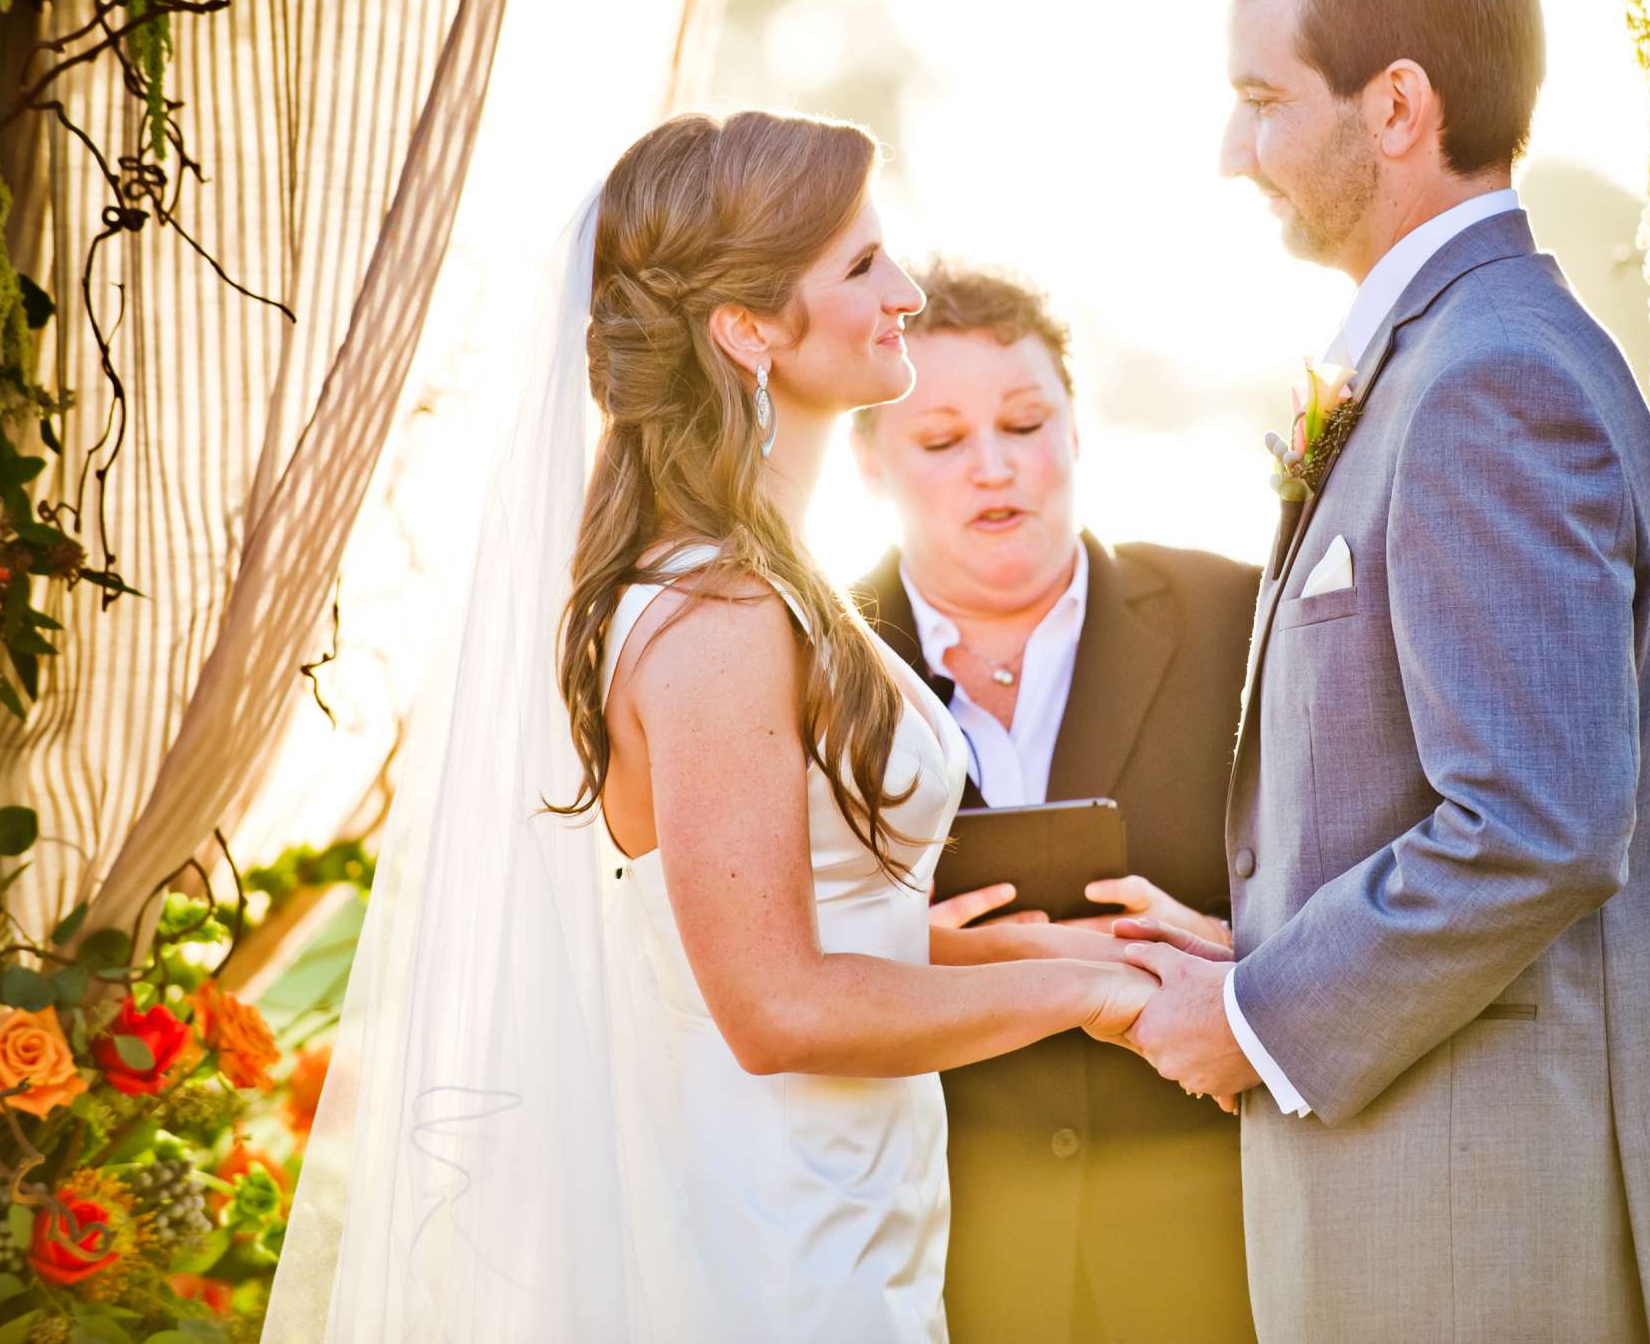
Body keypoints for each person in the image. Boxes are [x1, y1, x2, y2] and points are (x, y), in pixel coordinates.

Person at [267, 111, 1154, 1343]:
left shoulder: (757, 578)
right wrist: (1091, 995)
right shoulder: (719, 610)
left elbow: (782, 935)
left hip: (848, 1207)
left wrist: (1111, 960)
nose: (902, 292)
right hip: (776, 1249)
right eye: (859, 267)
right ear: (747, 330)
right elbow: (774, 1004)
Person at [1107, 0, 1650, 1342]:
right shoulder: (1448, 353)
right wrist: (1258, 948)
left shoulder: (1487, 383)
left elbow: (1535, 821)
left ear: (1397, 107)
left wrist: (1261, 1023)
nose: (1231, 149)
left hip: (1486, 1243)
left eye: (1262, 98)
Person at [847, 266, 1259, 1343]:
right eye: (940, 440)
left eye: (1025, 423)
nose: (995, 468)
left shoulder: (1240, 621)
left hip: (1213, 1266)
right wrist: (896, 955)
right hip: (931, 1266)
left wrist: (1233, 948)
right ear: (867, 460)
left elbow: (1364, 885)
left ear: (1076, 432)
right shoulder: (808, 667)